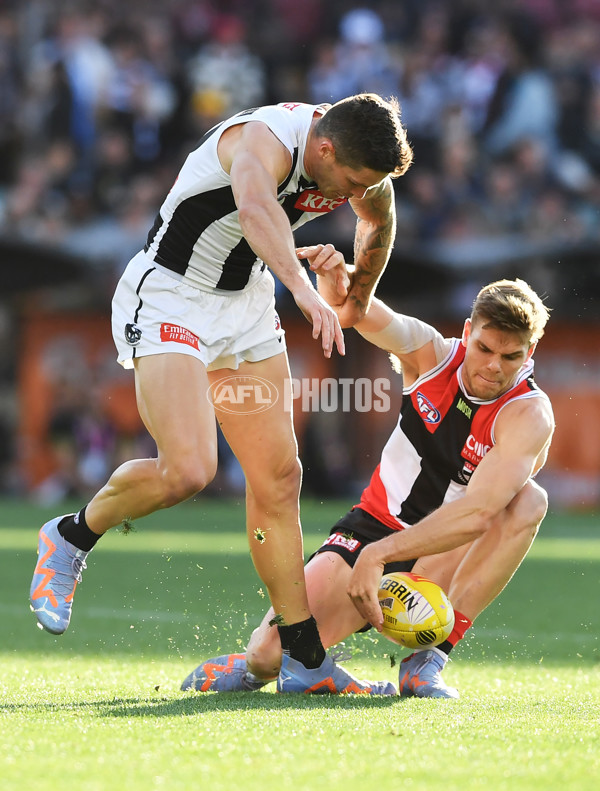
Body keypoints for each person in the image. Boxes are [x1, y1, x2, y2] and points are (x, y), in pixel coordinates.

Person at [29, 93, 413, 696]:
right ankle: (72, 535)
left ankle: (304, 659)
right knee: (188, 470)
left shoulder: (353, 162)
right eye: (350, 182)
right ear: (325, 149)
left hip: (246, 307)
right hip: (171, 297)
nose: (352, 195)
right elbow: (258, 210)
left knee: (280, 478)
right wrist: (305, 293)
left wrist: (357, 298)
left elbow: (379, 218)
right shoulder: (263, 140)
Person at [181, 278, 554, 697]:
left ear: (530, 353)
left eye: (511, 356)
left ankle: (428, 659)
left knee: (528, 501)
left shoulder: (529, 413)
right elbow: (358, 310)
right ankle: (277, 672)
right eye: (485, 349)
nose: (494, 366)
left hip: (440, 551)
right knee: (269, 657)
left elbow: (479, 514)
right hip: (372, 527)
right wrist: (340, 276)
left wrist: (380, 557)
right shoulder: (430, 354)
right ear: (468, 333)